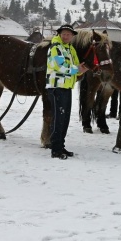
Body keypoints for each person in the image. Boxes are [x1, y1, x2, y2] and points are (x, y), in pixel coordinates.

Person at [46, 24, 88, 159]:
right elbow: (60, 67)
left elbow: (76, 64)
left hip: (67, 87)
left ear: (72, 36)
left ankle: (61, 146)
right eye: (63, 34)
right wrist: (77, 70)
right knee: (58, 118)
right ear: (59, 34)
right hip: (57, 87)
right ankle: (55, 149)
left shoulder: (70, 49)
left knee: (64, 119)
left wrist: (82, 68)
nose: (65, 36)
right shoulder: (55, 48)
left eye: (68, 34)